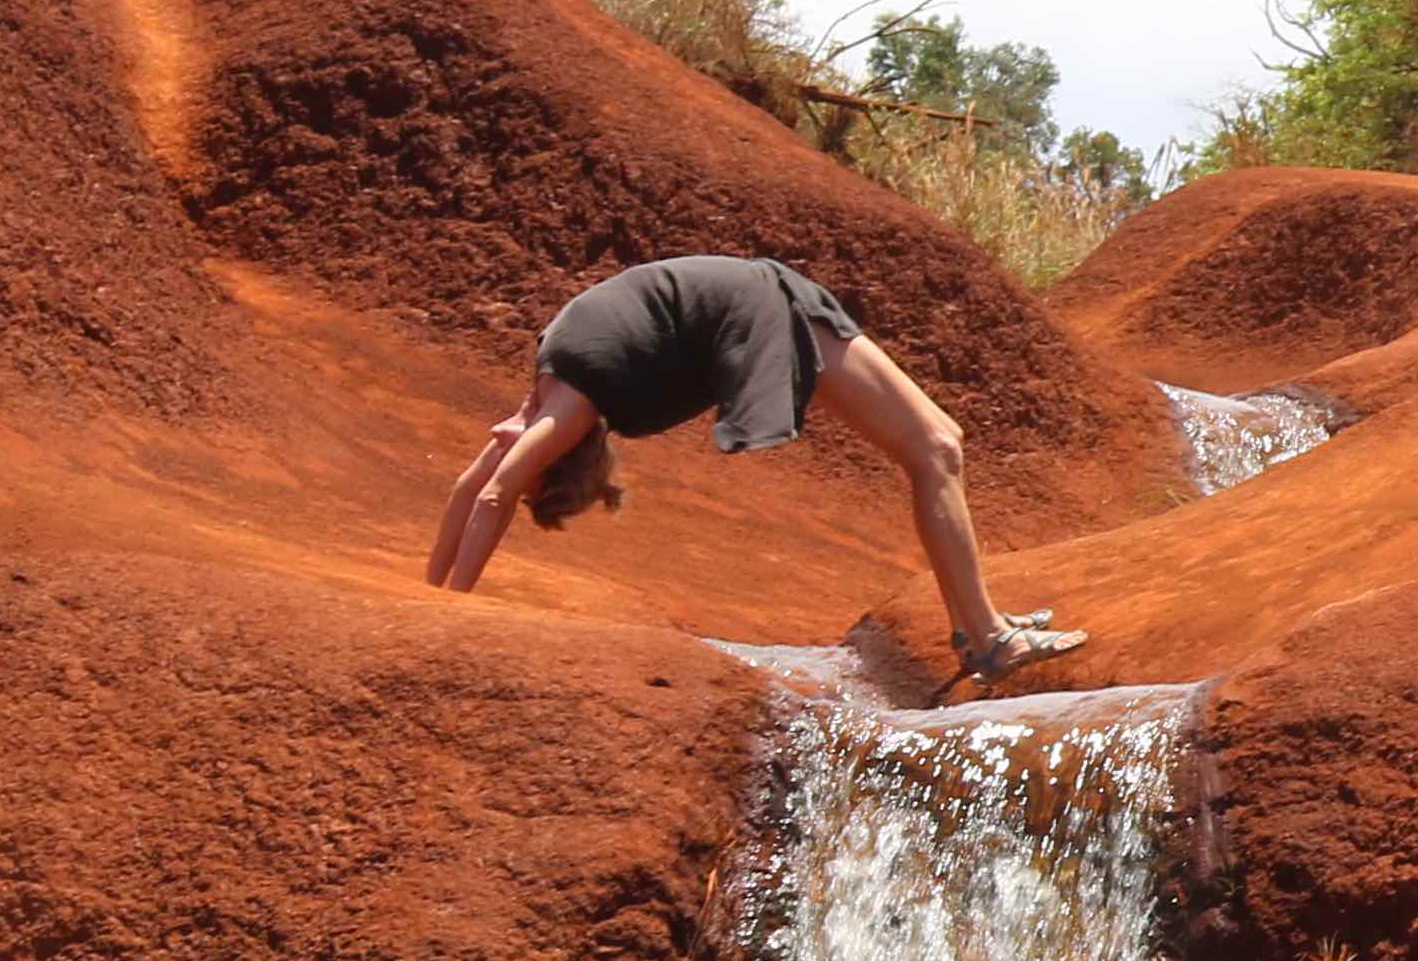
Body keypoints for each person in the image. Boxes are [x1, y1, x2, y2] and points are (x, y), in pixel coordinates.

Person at [426, 253, 1083, 691]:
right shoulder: (546, 382)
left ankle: (985, 632)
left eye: (531, 470)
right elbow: (480, 482)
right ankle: (984, 633)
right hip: (761, 300)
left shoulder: (565, 407)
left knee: (940, 445)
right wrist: (425, 596)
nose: (515, 457)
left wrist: (444, 612)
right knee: (938, 446)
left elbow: (492, 493)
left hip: (767, 309)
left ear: (557, 457)